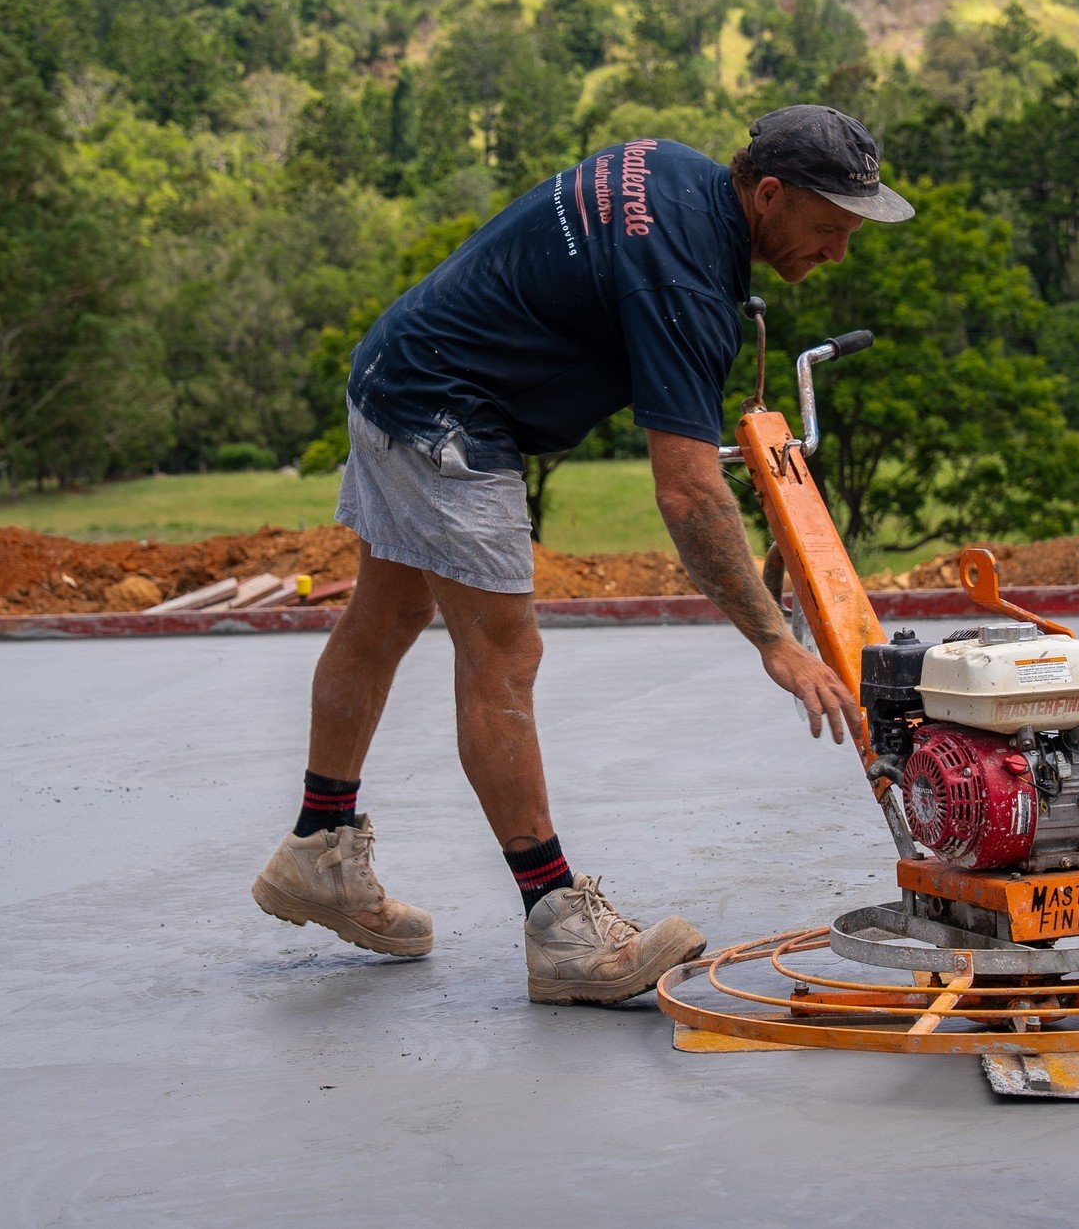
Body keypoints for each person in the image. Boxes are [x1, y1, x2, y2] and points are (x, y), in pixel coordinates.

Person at [252, 104, 914, 1002]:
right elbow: (684, 490)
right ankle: (558, 926)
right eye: (831, 229)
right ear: (767, 194)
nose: (839, 253)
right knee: (504, 653)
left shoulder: (675, 169)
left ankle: (316, 851)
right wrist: (774, 642)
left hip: (397, 365)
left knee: (391, 612)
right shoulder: (683, 287)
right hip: (448, 407)